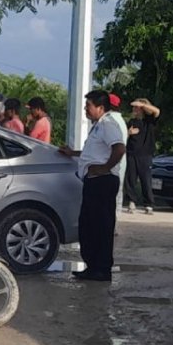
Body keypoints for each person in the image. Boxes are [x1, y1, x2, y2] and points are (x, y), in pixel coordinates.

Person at [59, 91, 126, 282]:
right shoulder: (98, 127)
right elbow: (94, 153)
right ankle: (93, 266)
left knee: (101, 226)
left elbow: (119, 148)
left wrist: (105, 168)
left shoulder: (108, 125)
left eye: (88, 105)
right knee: (89, 225)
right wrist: (73, 153)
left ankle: (102, 268)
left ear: (100, 108)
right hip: (92, 180)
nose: (85, 109)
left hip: (102, 181)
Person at [124, 98, 161, 214]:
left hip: (145, 154)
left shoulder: (149, 121)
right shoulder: (131, 122)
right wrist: (129, 133)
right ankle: (131, 201)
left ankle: (149, 204)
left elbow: (157, 111)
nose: (134, 109)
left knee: (146, 179)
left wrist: (143, 104)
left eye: (136, 107)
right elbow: (123, 135)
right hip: (131, 153)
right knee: (130, 179)